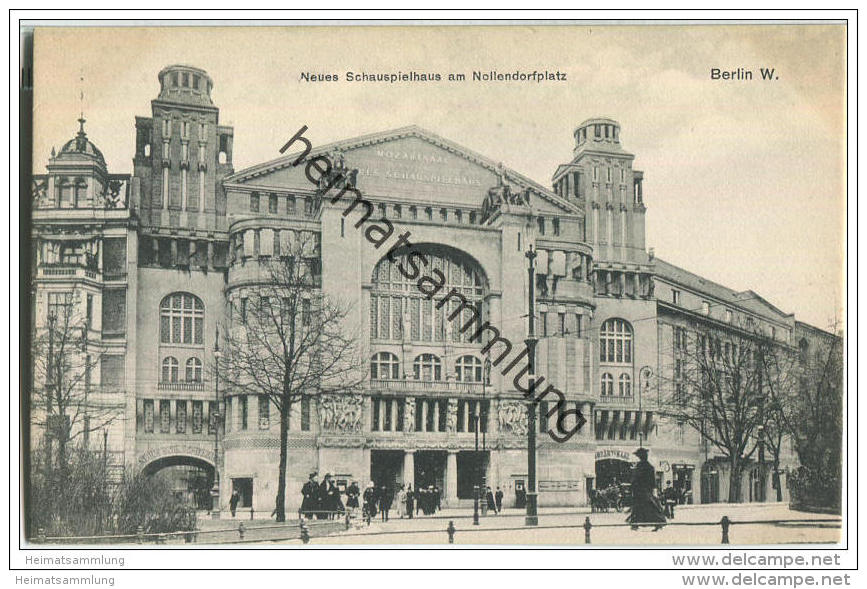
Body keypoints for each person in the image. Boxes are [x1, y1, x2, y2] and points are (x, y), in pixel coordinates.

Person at [626, 448, 667, 531]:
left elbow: (635, 478)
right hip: (645, 490)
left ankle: (656, 522)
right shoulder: (649, 466)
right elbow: (652, 481)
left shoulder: (640, 466)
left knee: (644, 506)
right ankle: (636, 524)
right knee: (645, 506)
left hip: (641, 490)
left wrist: (632, 486)